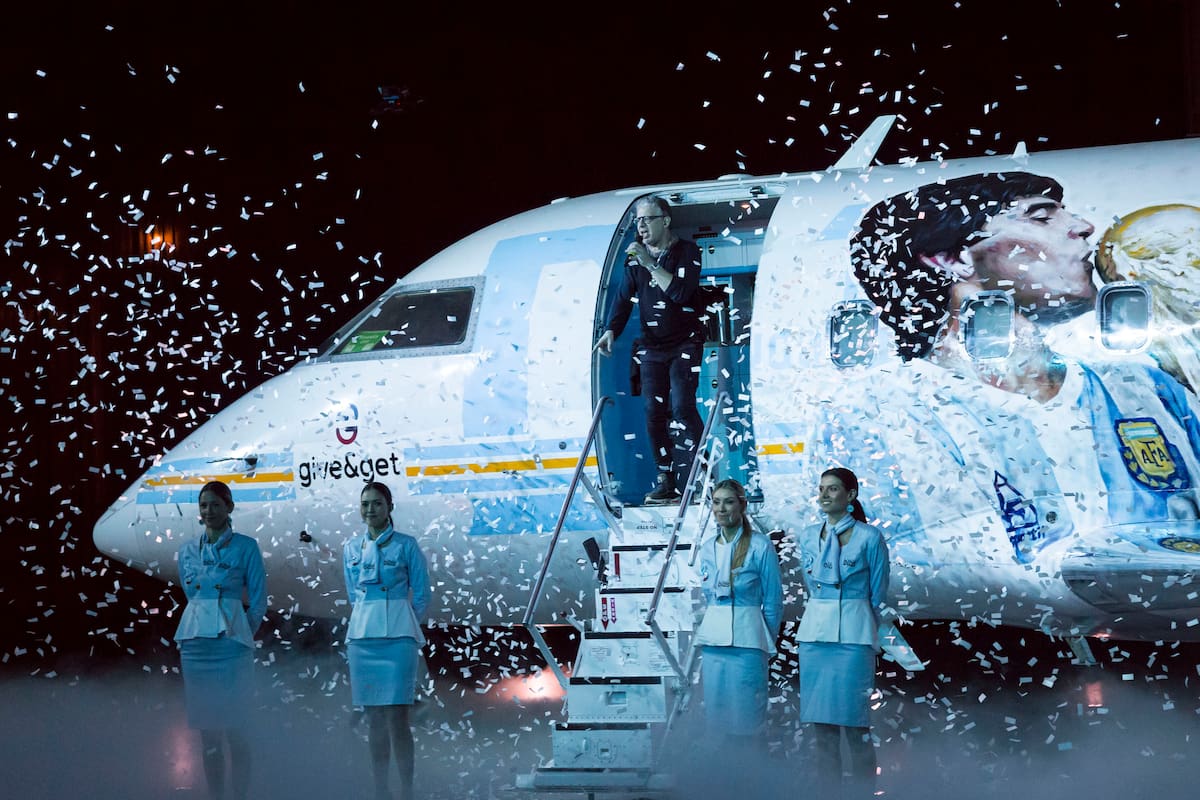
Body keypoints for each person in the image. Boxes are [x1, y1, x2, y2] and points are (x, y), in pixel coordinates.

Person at [847, 172, 1200, 563]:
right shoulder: (890, 413)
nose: (1084, 226)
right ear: (953, 258)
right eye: (1041, 216)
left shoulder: (1144, 386)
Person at [596, 195, 706, 503]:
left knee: (683, 407)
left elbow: (681, 294)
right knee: (653, 413)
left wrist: (648, 262)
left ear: (665, 220)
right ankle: (665, 478)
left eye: (646, 219)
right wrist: (611, 331)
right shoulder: (635, 258)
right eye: (638, 221)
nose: (641, 226)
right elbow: (623, 296)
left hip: (685, 340)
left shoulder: (687, 252)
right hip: (651, 345)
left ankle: (703, 473)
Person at [795, 467, 890, 800]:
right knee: (822, 729)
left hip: (853, 634)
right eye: (821, 489)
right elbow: (812, 584)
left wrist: (867, 628)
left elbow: (878, 593)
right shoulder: (807, 535)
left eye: (832, 489)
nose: (824, 495)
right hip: (816, 634)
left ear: (850, 496)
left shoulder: (870, 538)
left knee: (855, 727)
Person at [174, 480, 268, 800]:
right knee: (208, 733)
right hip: (196, 645)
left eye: (215, 504)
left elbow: (258, 601)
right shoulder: (186, 550)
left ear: (229, 508)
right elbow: (192, 596)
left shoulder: (246, 546)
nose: (209, 511)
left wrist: (241, 631)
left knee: (237, 730)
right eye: (203, 506)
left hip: (231, 646)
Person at [343, 481, 432, 800]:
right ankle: (381, 788)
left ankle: (406, 789)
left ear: (390, 507)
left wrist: (403, 622)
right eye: (365, 503)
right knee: (374, 719)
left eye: (377, 503)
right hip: (364, 639)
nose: (370, 509)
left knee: (398, 718)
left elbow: (421, 594)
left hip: (397, 638)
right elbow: (354, 592)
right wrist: (369, 620)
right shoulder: (351, 548)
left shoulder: (407, 545)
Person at [693, 478, 783, 750]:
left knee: (748, 717)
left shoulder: (759, 546)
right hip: (714, 643)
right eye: (716, 502)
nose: (721, 508)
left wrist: (765, 638)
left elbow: (773, 599)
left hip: (748, 640)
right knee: (717, 718)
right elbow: (708, 594)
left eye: (728, 502)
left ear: (742, 505)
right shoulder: (708, 546)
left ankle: (756, 777)